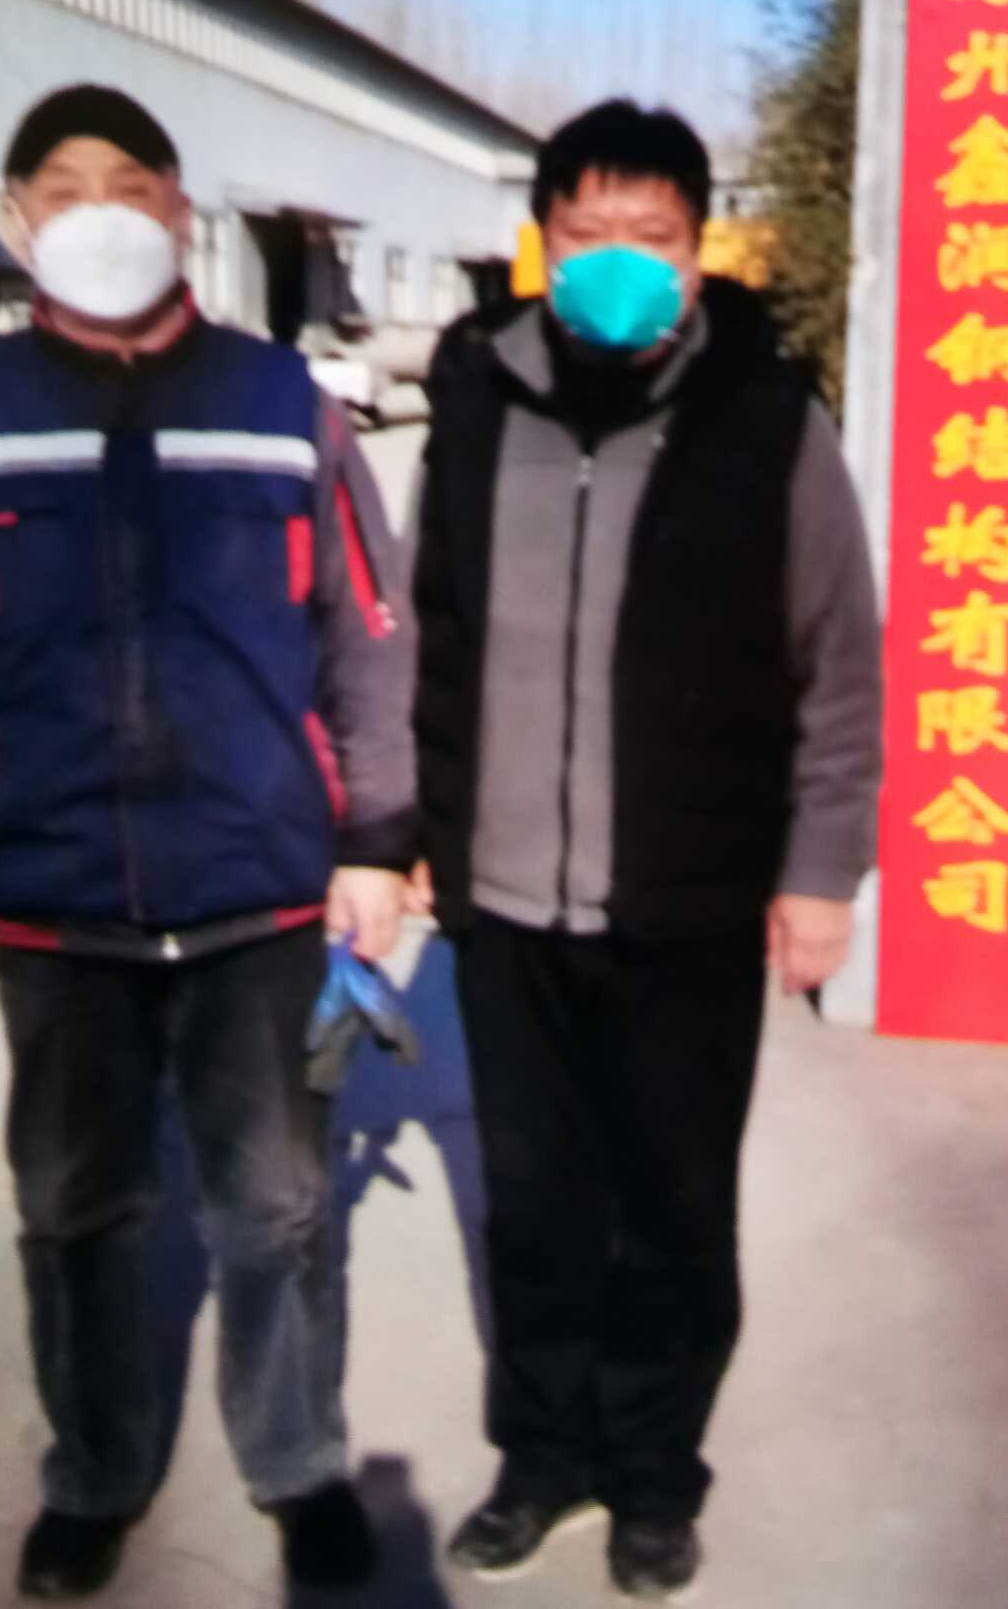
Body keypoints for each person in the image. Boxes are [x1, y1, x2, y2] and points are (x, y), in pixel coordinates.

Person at [0, 84, 415, 1601]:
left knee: (276, 1208)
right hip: (51, 902)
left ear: (179, 209)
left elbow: (365, 629)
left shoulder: (282, 400)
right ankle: (96, 1476)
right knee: (75, 1211)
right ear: (19, 215)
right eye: (64, 187)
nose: (98, 212)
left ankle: (295, 1464)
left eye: (131, 184)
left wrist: (376, 837)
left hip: (263, 893)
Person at [409, 97, 882, 1599]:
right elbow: (432, 630)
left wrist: (821, 870)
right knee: (538, 1208)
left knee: (673, 1212)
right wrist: (416, 829)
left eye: (653, 234)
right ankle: (543, 1458)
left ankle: (656, 1475)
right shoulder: (479, 394)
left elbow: (840, 663)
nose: (620, 258)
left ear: (698, 251)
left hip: (687, 901)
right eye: (590, 230)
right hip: (505, 906)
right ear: (542, 242)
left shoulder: (765, 414)